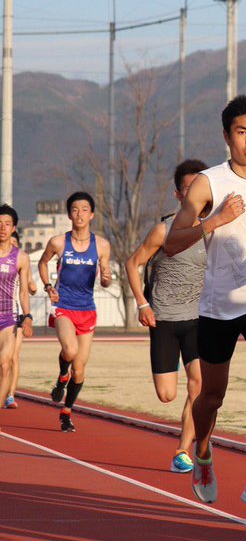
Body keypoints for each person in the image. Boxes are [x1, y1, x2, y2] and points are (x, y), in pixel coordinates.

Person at [164, 95, 246, 513]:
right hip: (218, 306)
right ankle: (202, 450)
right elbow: (171, 243)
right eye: (242, 132)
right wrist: (214, 220)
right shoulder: (209, 182)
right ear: (227, 137)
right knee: (211, 398)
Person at [124, 159, 208, 473]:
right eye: (187, 190)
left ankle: (183, 450)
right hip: (164, 318)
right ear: (177, 195)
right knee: (166, 395)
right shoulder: (163, 229)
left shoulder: (214, 230)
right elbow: (133, 264)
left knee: (198, 384)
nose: (192, 196)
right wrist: (142, 304)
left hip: (198, 318)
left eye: (198, 189)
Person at [38, 191, 112, 433]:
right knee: (69, 350)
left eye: (84, 209)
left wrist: (106, 280)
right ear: (70, 214)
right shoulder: (59, 242)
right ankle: (61, 376)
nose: (79, 214)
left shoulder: (101, 245)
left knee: (79, 371)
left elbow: (105, 277)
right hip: (63, 307)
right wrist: (49, 287)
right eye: (75, 209)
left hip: (87, 310)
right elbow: (42, 262)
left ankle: (66, 412)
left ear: (91, 215)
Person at [0, 206, 33, 413]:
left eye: (6, 224)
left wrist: (27, 316)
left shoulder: (21, 258)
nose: (2, 228)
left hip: (7, 318)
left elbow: (23, 292)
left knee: (5, 364)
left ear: (14, 228)